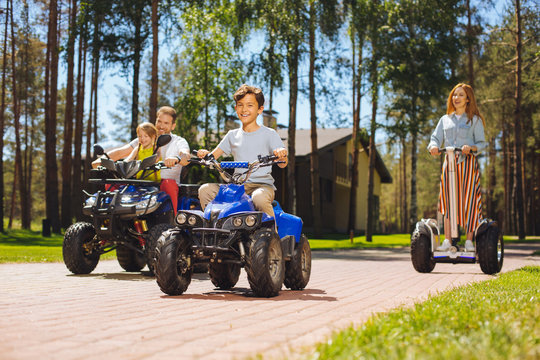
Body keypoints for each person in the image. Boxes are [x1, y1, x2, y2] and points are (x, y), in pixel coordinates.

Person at [197, 84, 288, 219]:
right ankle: (214, 227)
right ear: (236, 108)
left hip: (262, 186)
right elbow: (212, 156)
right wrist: (205, 155)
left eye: (250, 105)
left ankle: (270, 236)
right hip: (237, 186)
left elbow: (282, 163)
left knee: (259, 199)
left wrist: (281, 153)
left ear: (260, 109)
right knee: (205, 190)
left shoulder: (269, 134)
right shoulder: (232, 135)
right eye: (240, 105)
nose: (244, 109)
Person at [93, 106, 190, 213]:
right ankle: (111, 218)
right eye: (159, 121)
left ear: (173, 126)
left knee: (168, 183)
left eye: (166, 123)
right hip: (141, 182)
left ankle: (173, 220)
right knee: (112, 184)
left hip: (162, 184)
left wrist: (177, 158)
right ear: (155, 121)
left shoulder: (179, 141)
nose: (161, 126)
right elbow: (121, 152)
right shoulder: (145, 138)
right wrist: (101, 160)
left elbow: (186, 156)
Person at [427, 83, 487, 252]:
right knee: (447, 202)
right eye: (454, 95)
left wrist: (471, 147)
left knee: (468, 201)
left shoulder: (474, 120)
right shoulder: (445, 119)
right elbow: (435, 138)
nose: (456, 98)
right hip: (449, 164)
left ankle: (469, 241)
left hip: (467, 165)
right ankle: (447, 240)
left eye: (461, 95)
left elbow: (481, 143)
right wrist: (433, 147)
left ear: (468, 99)